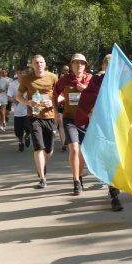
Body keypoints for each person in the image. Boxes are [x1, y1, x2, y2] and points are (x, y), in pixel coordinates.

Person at [75, 54, 124, 211]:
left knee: (119, 158)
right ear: (103, 67)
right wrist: (91, 114)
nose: (111, 67)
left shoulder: (125, 81)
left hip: (120, 125)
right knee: (110, 158)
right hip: (103, 125)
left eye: (114, 65)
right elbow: (87, 100)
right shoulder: (97, 81)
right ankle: (114, 194)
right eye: (108, 64)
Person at [17, 55, 59, 189]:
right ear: (33, 65)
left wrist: (51, 102)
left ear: (45, 64)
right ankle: (42, 178)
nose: (39, 64)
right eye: (36, 62)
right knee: (38, 147)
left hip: (49, 116)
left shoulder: (52, 77)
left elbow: (60, 95)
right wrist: (28, 102)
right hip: (33, 116)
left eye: (41, 62)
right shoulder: (26, 79)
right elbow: (18, 96)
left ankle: (41, 163)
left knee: (49, 149)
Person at [53, 54, 92, 195]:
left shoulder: (90, 80)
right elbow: (54, 95)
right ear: (71, 65)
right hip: (70, 119)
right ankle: (76, 181)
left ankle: (79, 176)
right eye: (76, 63)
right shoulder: (65, 80)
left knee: (82, 152)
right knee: (74, 149)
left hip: (86, 120)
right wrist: (56, 111)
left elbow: (98, 96)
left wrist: (85, 90)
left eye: (82, 63)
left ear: (85, 66)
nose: (79, 65)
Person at [7, 67, 31, 152]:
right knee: (18, 131)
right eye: (20, 73)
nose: (21, 75)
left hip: (28, 111)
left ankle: (27, 136)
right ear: (17, 74)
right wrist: (14, 100)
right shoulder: (13, 84)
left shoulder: (29, 83)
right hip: (18, 111)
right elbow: (9, 96)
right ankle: (20, 143)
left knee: (28, 128)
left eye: (23, 73)